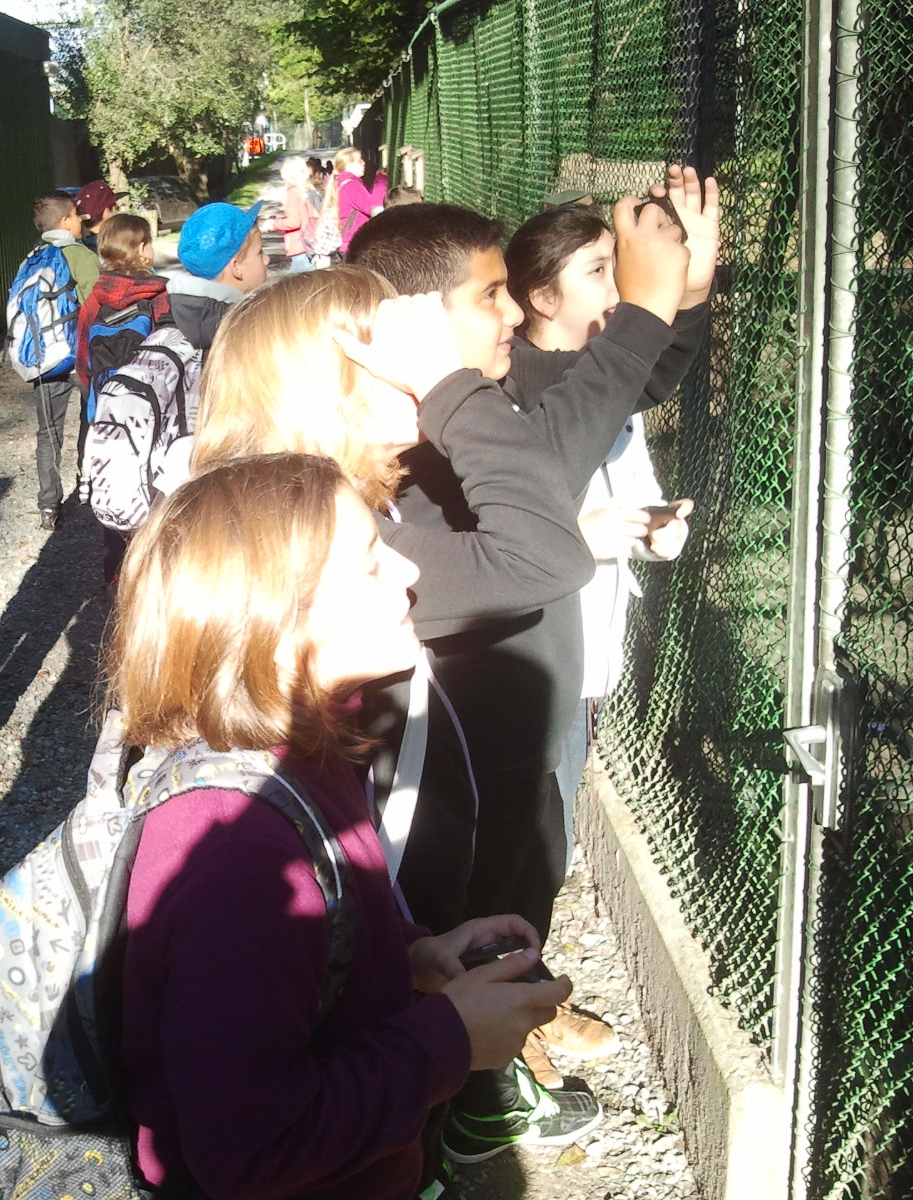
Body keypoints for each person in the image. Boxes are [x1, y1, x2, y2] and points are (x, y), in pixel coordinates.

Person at [345, 168, 717, 1156]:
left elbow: (613, 393)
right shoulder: (413, 440)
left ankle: (478, 1085)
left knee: (513, 892)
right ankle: (450, 1114)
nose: (511, 309)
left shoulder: (481, 400)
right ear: (416, 322)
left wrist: (676, 298)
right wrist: (644, 309)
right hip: (453, 780)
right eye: (489, 296)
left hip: (511, 753)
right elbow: (541, 535)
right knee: (453, 921)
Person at [108, 452, 572, 1200]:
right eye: (369, 563)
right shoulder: (238, 857)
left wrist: (411, 956)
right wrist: (448, 1040)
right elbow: (250, 1150)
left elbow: (315, 945)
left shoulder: (304, 753)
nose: (409, 572)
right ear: (272, 620)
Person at [505, 205, 694, 854]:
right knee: (530, 846)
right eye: (599, 270)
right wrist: (578, 538)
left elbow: (634, 493)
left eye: (621, 265)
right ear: (543, 298)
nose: (621, 283)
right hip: (531, 668)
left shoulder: (608, 390)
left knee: (552, 831)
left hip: (589, 661)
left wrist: (653, 530)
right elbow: (499, 529)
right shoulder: (512, 393)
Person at [27, 189, 99, 529]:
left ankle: (48, 506)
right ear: (66, 221)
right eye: (76, 216)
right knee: (92, 418)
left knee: (48, 432)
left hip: (45, 358)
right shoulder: (81, 255)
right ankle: (88, 483)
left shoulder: (32, 258)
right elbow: (96, 306)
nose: (81, 221)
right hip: (79, 355)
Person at [74, 212, 171, 392]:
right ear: (141, 249)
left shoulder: (94, 300)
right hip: (154, 398)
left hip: (107, 399)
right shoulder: (161, 296)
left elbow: (82, 365)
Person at [166, 201, 270, 362]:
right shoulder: (243, 329)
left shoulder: (178, 313)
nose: (267, 259)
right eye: (260, 252)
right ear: (236, 267)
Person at [327, 145, 388, 256]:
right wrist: (381, 182)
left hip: (346, 242)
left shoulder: (341, 183)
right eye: (359, 161)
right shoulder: (351, 186)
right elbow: (374, 210)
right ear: (349, 165)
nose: (364, 163)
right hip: (355, 243)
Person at [268, 156, 317, 272]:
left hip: (298, 244)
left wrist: (273, 224)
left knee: (299, 278)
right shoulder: (306, 191)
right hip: (308, 241)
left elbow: (294, 221)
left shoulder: (292, 193)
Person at [74, 178, 123, 255]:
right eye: (116, 207)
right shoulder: (121, 247)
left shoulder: (77, 248)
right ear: (107, 213)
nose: (117, 212)